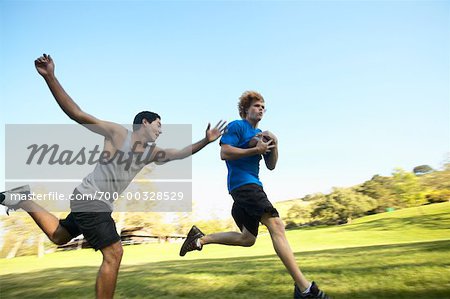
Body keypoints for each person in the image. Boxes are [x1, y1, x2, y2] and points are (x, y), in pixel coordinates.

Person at [0, 53, 226, 299]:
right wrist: (50, 77)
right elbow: (77, 113)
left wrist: (206, 140)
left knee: (59, 235)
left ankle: (23, 199)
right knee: (115, 253)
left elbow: (180, 153)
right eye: (159, 124)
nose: (162, 130)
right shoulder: (118, 134)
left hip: (94, 202)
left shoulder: (151, 153)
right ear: (144, 123)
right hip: (91, 200)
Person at [179, 91, 330, 299]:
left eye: (263, 107)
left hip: (247, 189)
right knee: (276, 225)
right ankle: (304, 289)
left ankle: (200, 239)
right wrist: (255, 149)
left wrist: (274, 145)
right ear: (246, 109)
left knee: (247, 238)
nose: (261, 109)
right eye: (256, 105)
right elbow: (225, 153)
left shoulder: (261, 135)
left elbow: (271, 166)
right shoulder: (237, 126)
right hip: (244, 187)